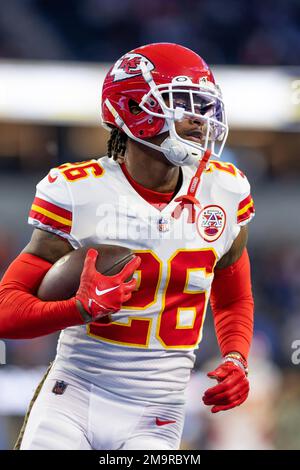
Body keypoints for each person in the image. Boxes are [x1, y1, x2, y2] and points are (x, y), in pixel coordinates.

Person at [0, 42, 254, 450]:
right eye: (181, 102)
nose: (200, 119)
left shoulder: (224, 189)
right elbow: (6, 312)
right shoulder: (78, 191)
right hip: (74, 397)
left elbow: (233, 299)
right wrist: (79, 309)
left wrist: (236, 357)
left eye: (204, 105)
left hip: (158, 413)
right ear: (132, 108)